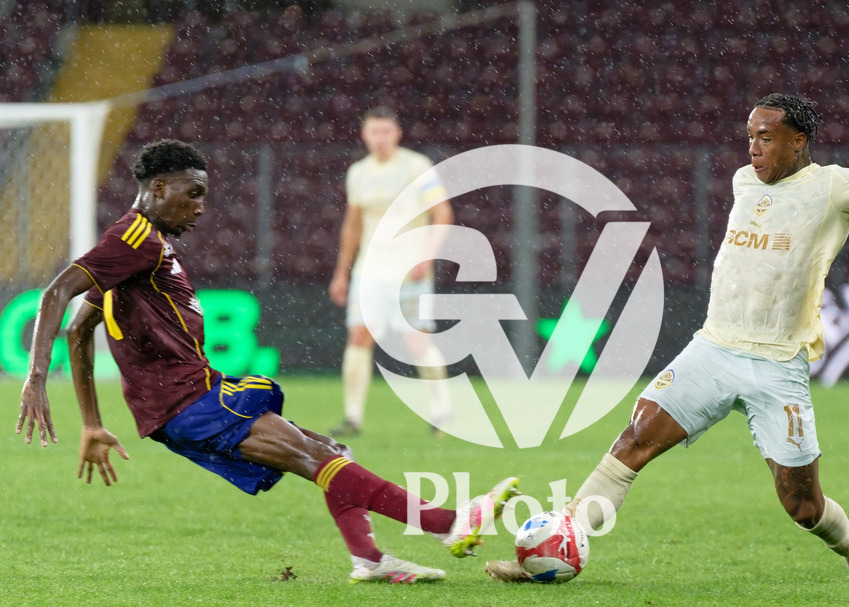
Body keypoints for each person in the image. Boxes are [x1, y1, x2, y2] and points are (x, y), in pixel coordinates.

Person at [485, 93, 849, 582]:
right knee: (634, 441)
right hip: (713, 347)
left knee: (802, 506)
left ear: (798, 141)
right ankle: (555, 551)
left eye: (766, 138)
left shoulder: (833, 187)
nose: (754, 148)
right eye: (750, 137)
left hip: (777, 363)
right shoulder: (744, 181)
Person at [16, 138, 519, 584]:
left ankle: (369, 558)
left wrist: (92, 424)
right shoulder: (134, 240)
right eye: (192, 195)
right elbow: (56, 295)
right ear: (160, 187)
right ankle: (448, 523)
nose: (199, 208)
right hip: (188, 402)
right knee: (315, 457)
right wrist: (37, 377)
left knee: (325, 448)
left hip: (188, 399)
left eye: (203, 197)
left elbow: (81, 330)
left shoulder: (142, 245)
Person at [327, 106, 454, 438]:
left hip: (409, 271)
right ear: (364, 135)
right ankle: (352, 417)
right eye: (374, 132)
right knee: (358, 336)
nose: (380, 139)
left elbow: (443, 215)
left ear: (397, 134)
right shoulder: (358, 172)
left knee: (415, 341)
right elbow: (352, 225)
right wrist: (342, 272)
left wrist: (427, 257)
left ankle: (442, 411)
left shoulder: (416, 167)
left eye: (386, 132)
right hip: (370, 273)